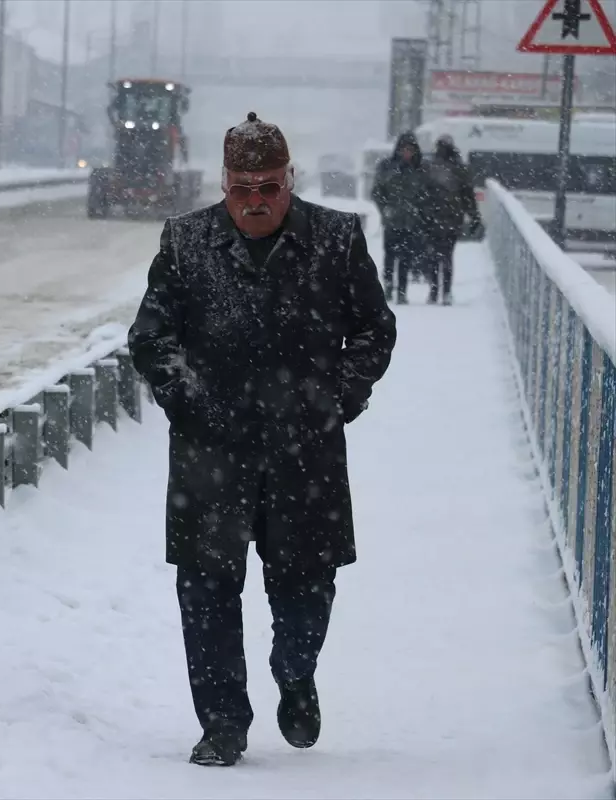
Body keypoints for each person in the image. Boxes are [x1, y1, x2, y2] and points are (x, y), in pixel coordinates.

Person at [127, 112, 397, 768]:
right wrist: (188, 400)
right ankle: (222, 724)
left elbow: (374, 327)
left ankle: (295, 670)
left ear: (289, 180)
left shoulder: (335, 239)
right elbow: (150, 337)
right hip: (209, 452)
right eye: (243, 186)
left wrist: (338, 397)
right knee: (206, 591)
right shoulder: (187, 243)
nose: (256, 199)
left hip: (306, 449)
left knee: (308, 584)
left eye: (269, 186)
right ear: (223, 184)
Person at [371, 131, 438, 304]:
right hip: (392, 220)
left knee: (406, 257)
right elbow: (377, 192)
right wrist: (385, 208)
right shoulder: (387, 167)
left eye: (410, 150)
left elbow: (428, 193)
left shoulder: (421, 170)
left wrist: (420, 210)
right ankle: (387, 287)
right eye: (404, 149)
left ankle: (401, 290)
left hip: (412, 221)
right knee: (390, 256)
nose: (407, 153)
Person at [425, 134, 483, 305]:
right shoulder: (459, 168)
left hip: (435, 218)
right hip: (451, 218)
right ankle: (445, 291)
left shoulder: (430, 167)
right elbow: (468, 196)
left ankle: (435, 290)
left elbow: (423, 194)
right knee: (447, 256)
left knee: (434, 257)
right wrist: (474, 217)